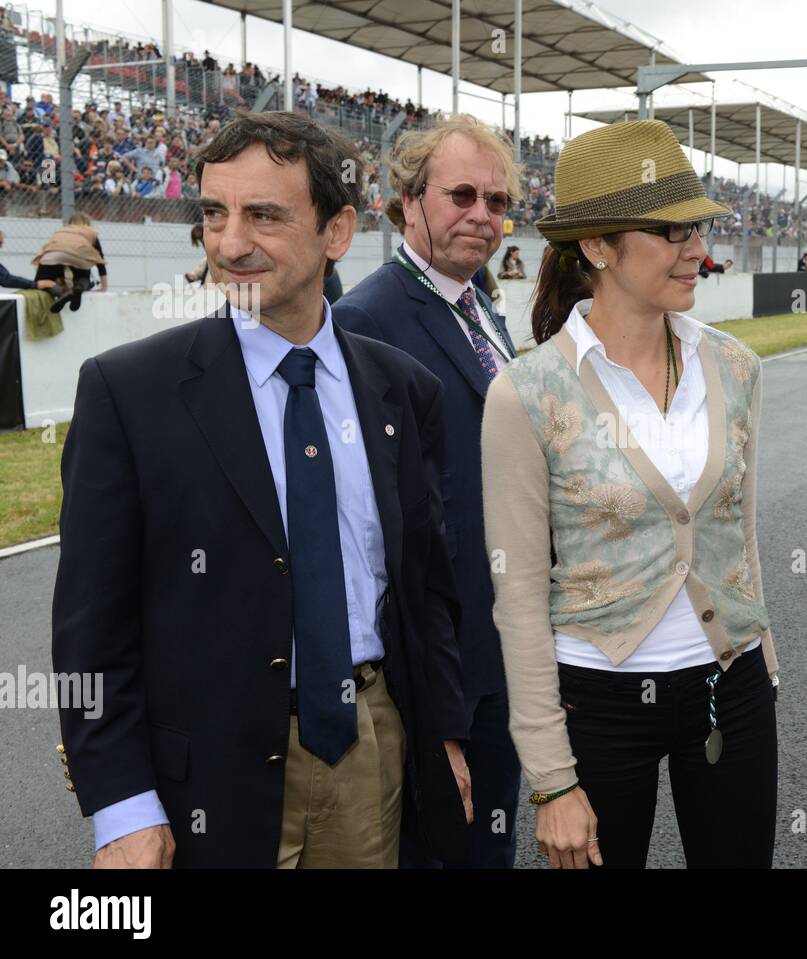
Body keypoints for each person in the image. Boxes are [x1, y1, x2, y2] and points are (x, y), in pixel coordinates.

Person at [52, 110, 473, 869]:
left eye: (264, 216)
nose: (230, 244)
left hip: (370, 751)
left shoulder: (403, 391)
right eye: (214, 214)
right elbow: (90, 629)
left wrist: (443, 731)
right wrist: (121, 806)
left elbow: (425, 589)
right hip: (206, 778)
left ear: (337, 232)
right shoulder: (128, 392)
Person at [482, 119, 779, 870]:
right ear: (596, 247)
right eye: (670, 231)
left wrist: (762, 664)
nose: (697, 250)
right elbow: (516, 596)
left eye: (698, 229)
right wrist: (550, 780)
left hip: (729, 685)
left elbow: (739, 532)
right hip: (598, 706)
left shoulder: (737, 367)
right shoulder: (525, 392)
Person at [332, 113, 522, 869]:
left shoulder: (483, 308)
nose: (483, 215)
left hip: (504, 642)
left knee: (491, 843)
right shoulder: (364, 319)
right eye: (464, 195)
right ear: (409, 202)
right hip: (434, 661)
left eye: (499, 201)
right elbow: (371, 520)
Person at [31, 213, 108, 313]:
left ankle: (62, 293)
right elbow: (100, 261)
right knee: (83, 277)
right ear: (87, 223)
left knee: (43, 282)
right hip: (78, 256)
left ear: (70, 223)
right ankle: (78, 289)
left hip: (52, 256)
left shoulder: (61, 232)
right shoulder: (90, 233)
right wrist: (104, 286)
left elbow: (47, 250)